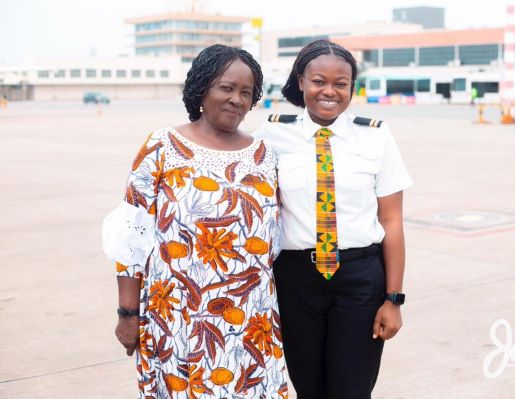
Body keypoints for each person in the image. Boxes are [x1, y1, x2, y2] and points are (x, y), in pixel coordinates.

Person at [102, 44, 288, 399]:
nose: (236, 99)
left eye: (246, 93)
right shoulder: (162, 147)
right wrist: (128, 313)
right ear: (202, 88)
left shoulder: (265, 155)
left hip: (251, 320)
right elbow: (130, 235)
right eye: (226, 88)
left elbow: (273, 237)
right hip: (175, 317)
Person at [254, 39, 413, 399]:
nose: (329, 91)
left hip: (360, 280)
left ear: (351, 87)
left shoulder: (375, 136)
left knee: (352, 390)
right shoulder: (272, 134)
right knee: (309, 388)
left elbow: (392, 221)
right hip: (296, 280)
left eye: (340, 83)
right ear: (300, 82)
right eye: (318, 81)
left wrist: (394, 298)